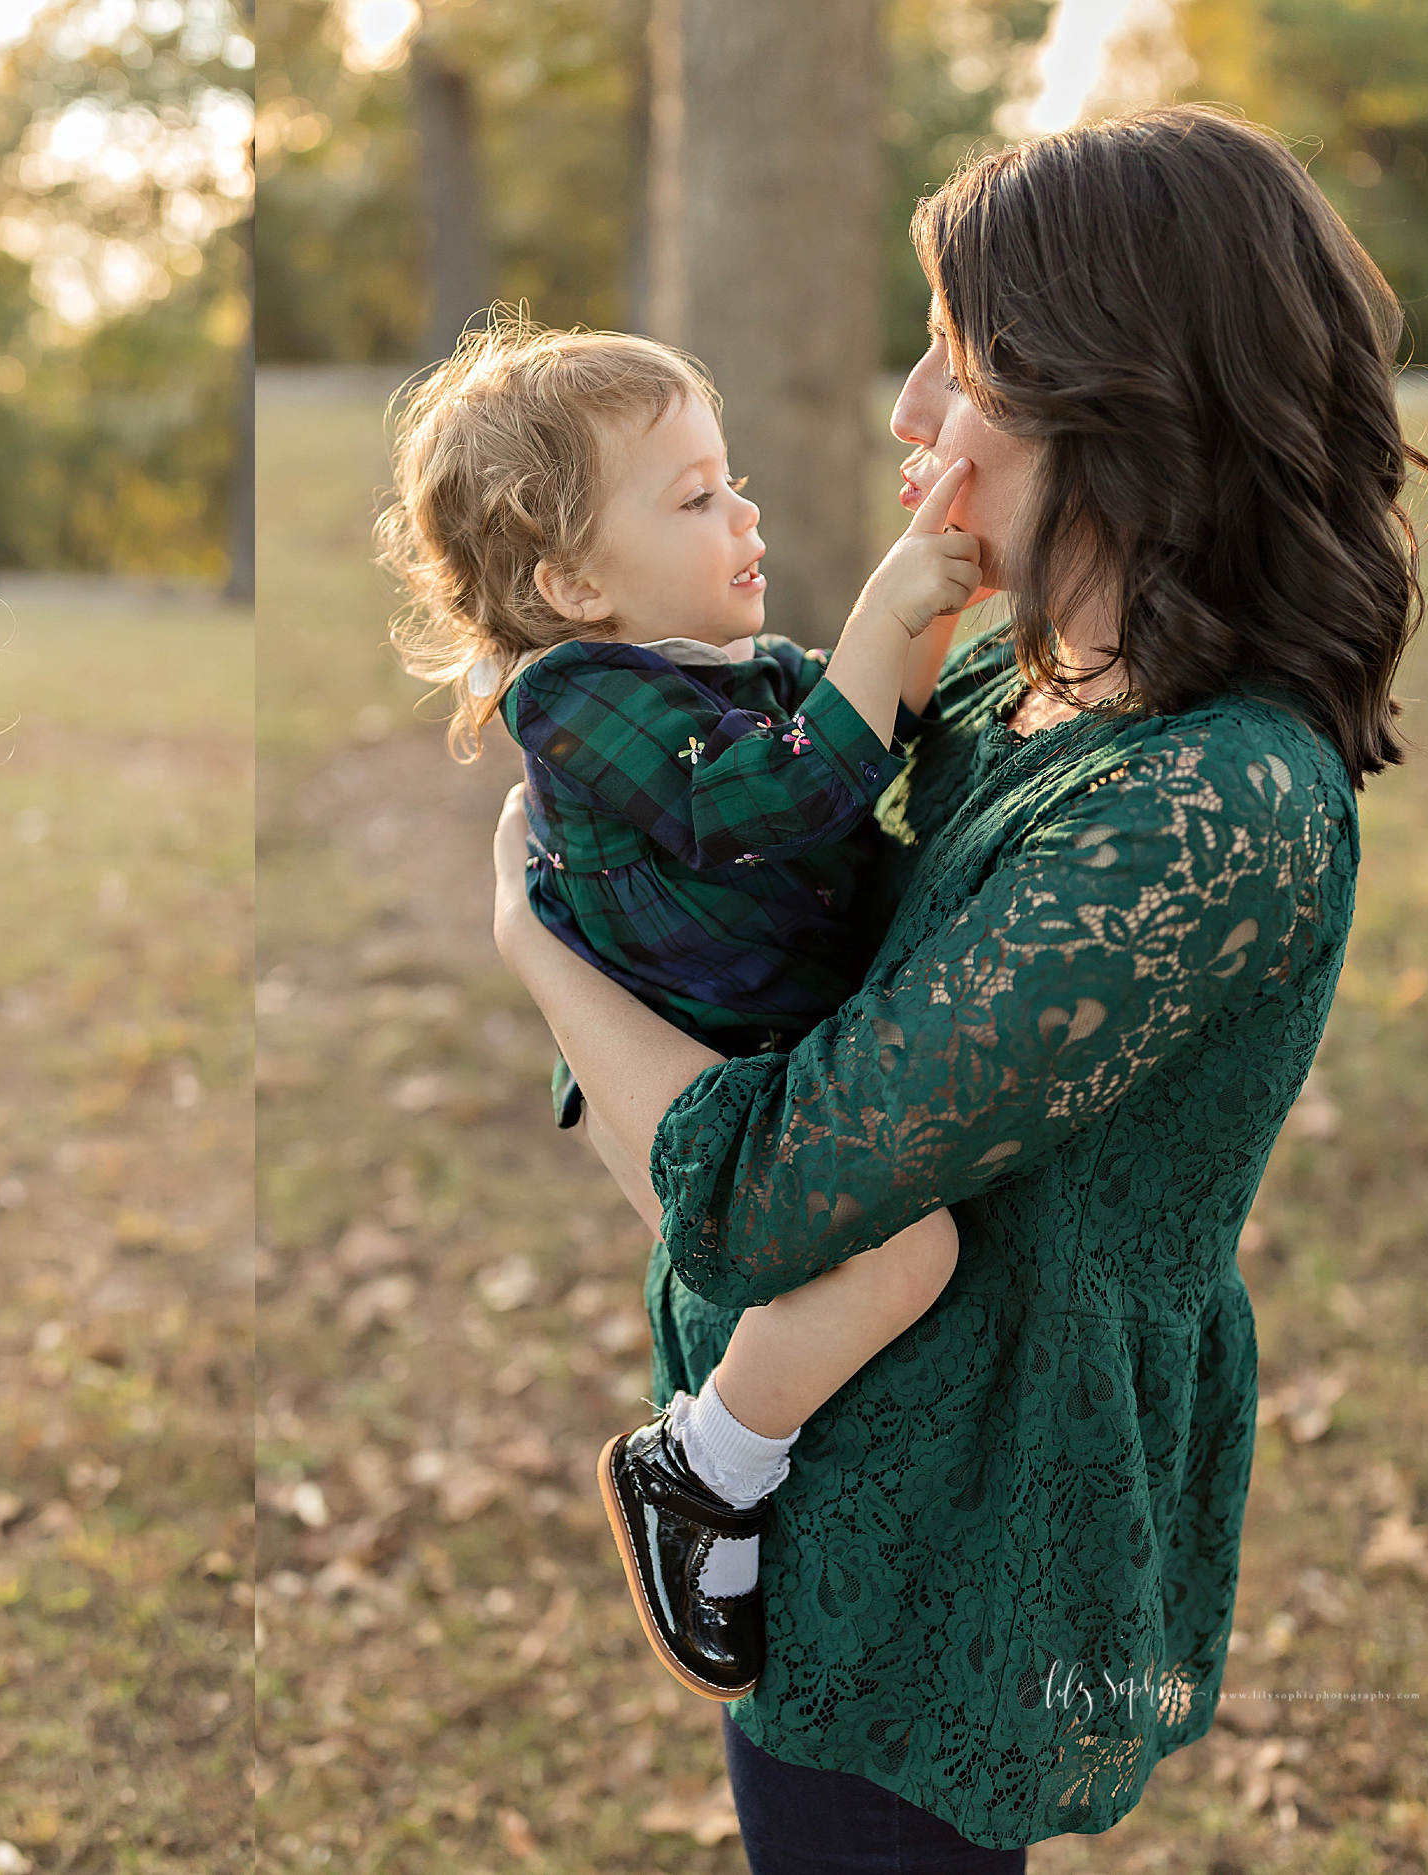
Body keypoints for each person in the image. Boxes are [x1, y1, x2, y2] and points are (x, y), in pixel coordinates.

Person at [487, 106, 1428, 1862]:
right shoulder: (1028, 688)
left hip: (967, 1533)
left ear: (1126, 397)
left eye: (963, 368)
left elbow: (768, 1197)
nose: (908, 420)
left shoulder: (1204, 800)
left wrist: (534, 948)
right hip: (827, 1478)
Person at [379, 318, 977, 1700]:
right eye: (695, 498)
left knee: (889, 1271)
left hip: (762, 1047)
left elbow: (874, 770)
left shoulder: (740, 672)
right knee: (901, 1259)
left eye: (733, 479)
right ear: (572, 580)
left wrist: (928, 627)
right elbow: (776, 806)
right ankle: (699, 1470)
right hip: (682, 1077)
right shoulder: (577, 706)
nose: (742, 512)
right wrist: (881, 623)